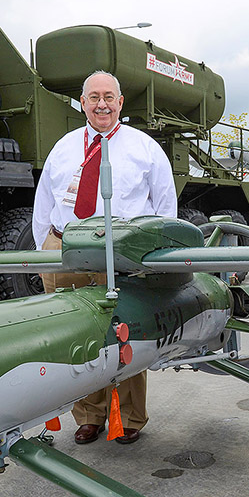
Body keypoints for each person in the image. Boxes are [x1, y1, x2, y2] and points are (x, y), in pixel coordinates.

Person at [32, 70, 177, 445]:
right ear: (82, 103)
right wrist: (45, 255)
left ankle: (128, 418)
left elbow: (165, 206)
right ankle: (89, 416)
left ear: (120, 103)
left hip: (122, 255)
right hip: (67, 252)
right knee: (77, 339)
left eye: (108, 97)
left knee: (125, 333)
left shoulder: (144, 148)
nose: (102, 104)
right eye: (94, 97)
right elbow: (44, 203)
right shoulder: (63, 147)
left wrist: (160, 260)